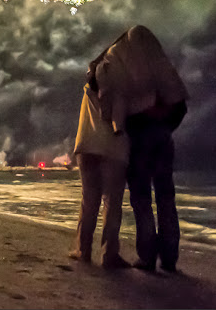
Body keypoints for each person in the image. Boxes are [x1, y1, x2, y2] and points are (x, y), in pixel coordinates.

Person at [94, 25, 189, 272]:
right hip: (163, 133)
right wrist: (165, 122)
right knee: (166, 196)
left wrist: (117, 125)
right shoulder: (148, 48)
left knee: (142, 197)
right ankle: (169, 258)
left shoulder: (108, 62)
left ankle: (147, 257)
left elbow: (107, 106)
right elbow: (176, 95)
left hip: (139, 135)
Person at [68, 78, 131, 269]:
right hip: (112, 149)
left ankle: (83, 250)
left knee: (89, 201)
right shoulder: (120, 89)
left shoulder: (88, 89)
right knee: (111, 203)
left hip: (86, 146)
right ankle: (109, 254)